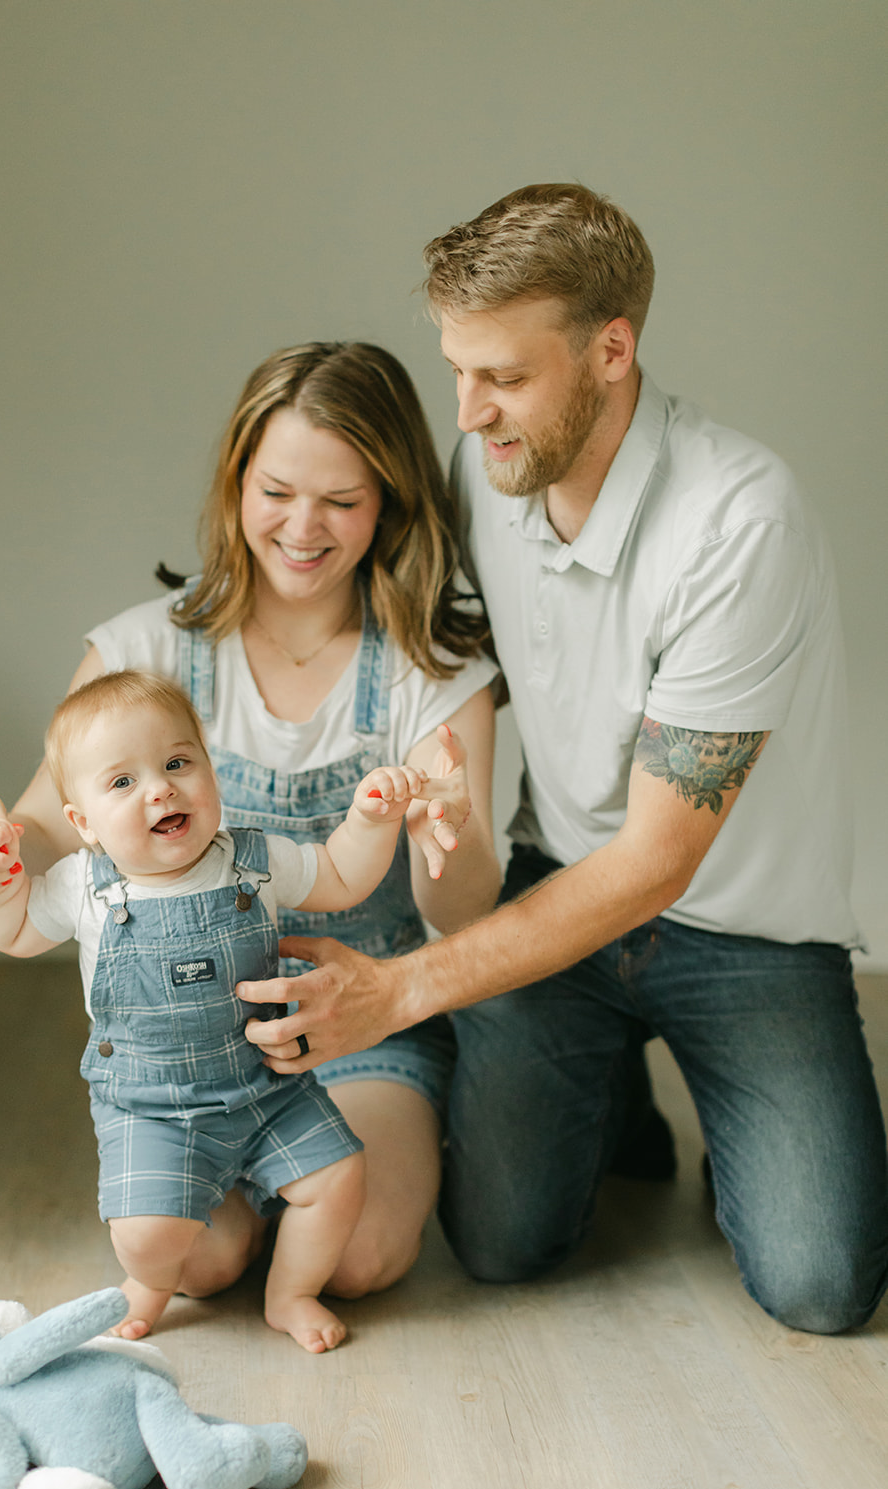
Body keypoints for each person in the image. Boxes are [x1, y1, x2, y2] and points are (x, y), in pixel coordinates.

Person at [236, 183, 888, 1336]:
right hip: (560, 891)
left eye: (503, 376)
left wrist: (396, 989)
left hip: (743, 936)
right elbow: (388, 614)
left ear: (611, 350)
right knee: (499, 1244)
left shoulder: (740, 521)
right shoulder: (490, 463)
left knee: (822, 1288)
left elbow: (653, 864)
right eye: (457, 370)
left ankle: (695, 1093)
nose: (468, 411)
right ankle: (612, 1084)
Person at [0, 341, 502, 1303]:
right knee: (198, 1262)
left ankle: (300, 1199)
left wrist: (449, 828)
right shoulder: (144, 647)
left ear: (390, 503)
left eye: (341, 501)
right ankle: (240, 1196)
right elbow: (46, 829)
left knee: (358, 1259)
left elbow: (463, 911)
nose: (302, 528)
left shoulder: (432, 672)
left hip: (359, 1027)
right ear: (236, 484)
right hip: (183, 1059)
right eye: (275, 491)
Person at [0, 669, 453, 1352]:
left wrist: (369, 821)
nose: (160, 789)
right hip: (151, 1105)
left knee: (340, 1179)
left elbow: (339, 877)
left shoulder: (252, 859)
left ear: (209, 770)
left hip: (267, 1086)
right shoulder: (82, 887)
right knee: (146, 1236)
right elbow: (14, 932)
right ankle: (149, 1283)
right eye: (122, 782)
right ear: (83, 824)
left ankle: (290, 1292)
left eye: (177, 764)